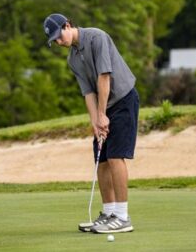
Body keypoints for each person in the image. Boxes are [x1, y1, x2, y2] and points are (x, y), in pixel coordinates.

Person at [43, 13, 139, 233]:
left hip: (123, 100)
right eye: (54, 41)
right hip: (105, 106)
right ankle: (109, 213)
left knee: (115, 156)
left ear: (68, 25)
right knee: (101, 157)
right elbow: (88, 92)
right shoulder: (72, 59)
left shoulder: (97, 38)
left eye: (59, 36)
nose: (59, 42)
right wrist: (95, 121)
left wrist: (102, 113)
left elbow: (104, 78)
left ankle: (123, 217)